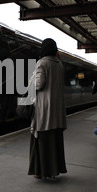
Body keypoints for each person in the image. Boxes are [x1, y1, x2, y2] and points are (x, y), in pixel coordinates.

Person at [28, 38, 67, 179]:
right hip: (57, 110)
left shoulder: (42, 62)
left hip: (44, 109)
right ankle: (53, 171)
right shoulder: (60, 64)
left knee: (41, 141)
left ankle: (39, 172)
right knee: (55, 141)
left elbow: (38, 84)